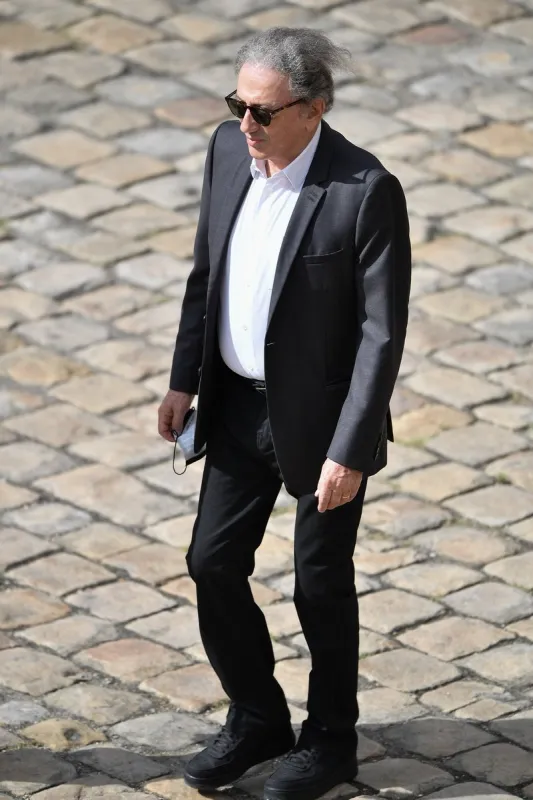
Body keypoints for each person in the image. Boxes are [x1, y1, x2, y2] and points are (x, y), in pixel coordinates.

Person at [158, 26, 411, 800]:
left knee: (318, 583)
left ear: (314, 109)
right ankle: (257, 716)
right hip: (235, 405)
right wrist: (182, 379)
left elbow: (380, 335)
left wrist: (352, 449)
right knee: (211, 562)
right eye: (238, 103)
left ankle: (331, 739)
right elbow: (208, 269)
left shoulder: (363, 191)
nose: (245, 123)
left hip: (324, 426)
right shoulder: (227, 152)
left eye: (262, 112)